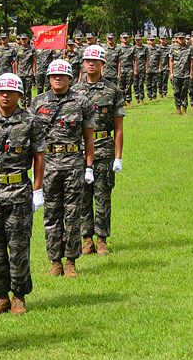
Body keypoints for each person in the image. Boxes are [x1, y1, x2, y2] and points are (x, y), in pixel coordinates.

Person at [0, 73, 46, 314]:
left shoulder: (30, 122)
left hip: (18, 191)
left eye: (10, 91)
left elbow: (40, 158)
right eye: (1, 91)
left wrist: (37, 190)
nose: (5, 95)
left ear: (19, 94)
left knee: (18, 247)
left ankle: (19, 297)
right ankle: (1, 297)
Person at [30, 59, 95, 278]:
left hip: (73, 164)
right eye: (54, 75)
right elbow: (31, 139)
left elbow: (88, 137)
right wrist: (33, 170)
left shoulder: (81, 101)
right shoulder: (37, 102)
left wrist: (88, 167)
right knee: (51, 214)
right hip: (47, 165)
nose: (58, 78)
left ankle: (71, 262)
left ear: (69, 77)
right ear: (48, 78)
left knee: (73, 214)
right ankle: (55, 261)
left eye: (62, 75)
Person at [75, 44, 125, 255]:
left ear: (103, 64)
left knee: (103, 194)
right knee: (83, 195)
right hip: (79, 149)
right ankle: (86, 238)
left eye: (95, 61)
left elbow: (119, 127)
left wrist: (118, 157)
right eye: (87, 61)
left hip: (104, 146)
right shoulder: (74, 91)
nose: (90, 64)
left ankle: (102, 238)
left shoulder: (113, 90)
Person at [169, 33, 192, 114]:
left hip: (185, 74)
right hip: (176, 73)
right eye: (179, 38)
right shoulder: (173, 48)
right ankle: (178, 109)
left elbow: (191, 62)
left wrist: (191, 73)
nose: (181, 39)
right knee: (176, 92)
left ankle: (184, 109)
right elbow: (171, 61)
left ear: (185, 38)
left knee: (184, 92)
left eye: (182, 38)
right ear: (176, 39)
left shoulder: (189, 48)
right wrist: (171, 73)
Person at [15, 34, 36, 108]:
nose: (24, 40)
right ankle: (23, 105)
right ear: (20, 40)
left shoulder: (32, 49)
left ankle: (29, 105)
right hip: (20, 72)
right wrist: (16, 72)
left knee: (28, 90)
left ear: (28, 39)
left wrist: (34, 71)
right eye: (22, 39)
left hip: (28, 72)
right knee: (21, 89)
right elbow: (16, 62)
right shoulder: (17, 49)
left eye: (25, 39)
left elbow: (34, 61)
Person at [133, 33, 148, 104]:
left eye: (139, 40)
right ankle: (137, 98)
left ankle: (141, 98)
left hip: (142, 68)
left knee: (141, 84)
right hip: (134, 69)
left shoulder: (145, 48)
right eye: (136, 40)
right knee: (135, 84)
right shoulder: (133, 48)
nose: (138, 41)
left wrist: (146, 69)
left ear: (141, 40)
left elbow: (147, 59)